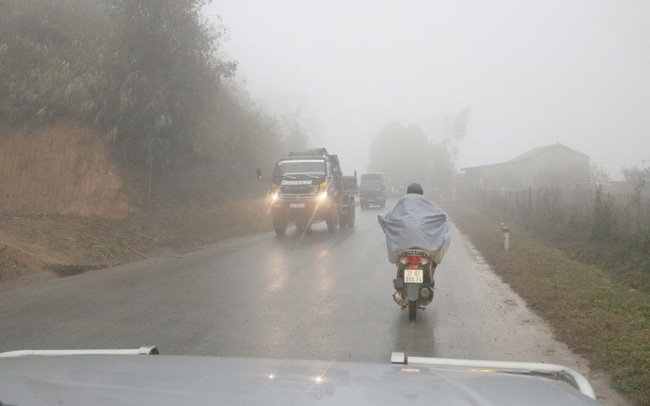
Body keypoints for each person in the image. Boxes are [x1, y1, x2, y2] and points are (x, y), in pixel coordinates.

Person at [377, 183, 451, 272]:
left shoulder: (403, 200)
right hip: (425, 247)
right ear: (421, 193)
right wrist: (444, 217)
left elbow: (393, 215)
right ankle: (431, 279)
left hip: (403, 247)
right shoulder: (424, 201)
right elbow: (437, 214)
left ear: (408, 192)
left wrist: (385, 217)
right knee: (433, 260)